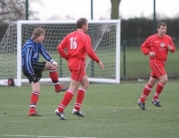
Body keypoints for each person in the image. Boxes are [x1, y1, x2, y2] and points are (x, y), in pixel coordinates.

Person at [54, 18, 104, 120]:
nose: (88, 27)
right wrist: (98, 61)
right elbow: (89, 51)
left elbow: (59, 48)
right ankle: (60, 110)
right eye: (87, 25)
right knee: (73, 88)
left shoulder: (70, 35)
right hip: (78, 64)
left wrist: (67, 57)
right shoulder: (85, 36)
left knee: (85, 84)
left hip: (72, 63)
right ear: (83, 26)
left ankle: (76, 108)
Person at [22, 28, 68, 116]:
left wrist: (51, 60)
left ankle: (32, 110)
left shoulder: (38, 44)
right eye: (42, 35)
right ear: (36, 36)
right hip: (30, 67)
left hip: (33, 67)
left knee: (36, 89)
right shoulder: (29, 46)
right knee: (52, 66)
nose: (44, 37)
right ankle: (57, 87)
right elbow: (27, 62)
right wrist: (32, 73)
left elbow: (43, 52)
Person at [137, 22, 176, 110]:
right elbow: (143, 47)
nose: (164, 30)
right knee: (164, 79)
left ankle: (141, 100)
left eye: (165, 29)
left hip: (162, 63)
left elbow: (173, 49)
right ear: (157, 29)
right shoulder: (151, 38)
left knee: (151, 82)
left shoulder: (168, 38)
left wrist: (171, 49)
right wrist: (149, 52)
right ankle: (155, 98)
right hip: (155, 62)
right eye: (162, 29)